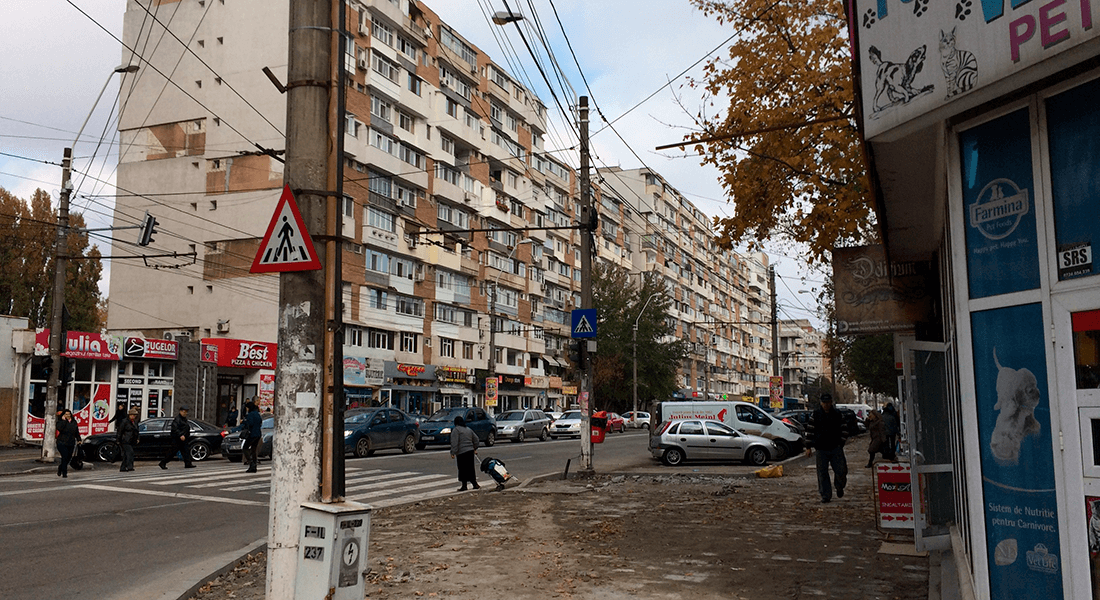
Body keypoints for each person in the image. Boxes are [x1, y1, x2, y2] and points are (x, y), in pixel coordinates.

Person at [805, 393, 849, 503]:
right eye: (824, 403)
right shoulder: (816, 415)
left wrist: (841, 442)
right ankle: (825, 495)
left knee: (841, 471)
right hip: (821, 448)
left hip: (836, 447)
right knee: (822, 473)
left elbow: (844, 429)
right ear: (821, 403)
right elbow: (810, 431)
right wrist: (808, 447)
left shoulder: (838, 414)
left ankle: (839, 486)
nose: (826, 405)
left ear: (831, 402)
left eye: (828, 402)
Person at [449, 415, 480, 491]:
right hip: (470, 452)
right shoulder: (468, 429)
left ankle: (464, 485)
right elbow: (476, 440)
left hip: (461, 453)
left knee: (462, 469)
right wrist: (474, 448)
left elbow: (454, 442)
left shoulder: (456, 430)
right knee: (470, 468)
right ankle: (475, 484)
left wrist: (453, 452)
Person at [55, 409, 81, 478]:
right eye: (66, 414)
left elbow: (76, 431)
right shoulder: (60, 422)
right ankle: (64, 473)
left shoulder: (73, 422)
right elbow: (59, 428)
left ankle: (60, 468)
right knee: (64, 457)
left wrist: (79, 439)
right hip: (62, 442)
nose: (67, 416)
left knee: (68, 458)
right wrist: (64, 421)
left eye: (69, 414)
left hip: (71, 442)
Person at [241, 402, 263, 473]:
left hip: (252, 434)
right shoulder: (257, 414)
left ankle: (251, 463)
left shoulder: (250, 415)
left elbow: (250, 424)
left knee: (245, 448)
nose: (246, 409)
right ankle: (254, 465)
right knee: (254, 449)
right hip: (258, 434)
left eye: (247, 407)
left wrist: (244, 422)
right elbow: (260, 422)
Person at [117, 407, 140, 472]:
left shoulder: (135, 422)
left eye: (134, 415)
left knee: (126, 455)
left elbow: (136, 431)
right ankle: (129, 466)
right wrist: (118, 439)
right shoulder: (124, 421)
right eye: (132, 415)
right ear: (129, 415)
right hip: (125, 440)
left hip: (131, 440)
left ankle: (123, 467)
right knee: (130, 453)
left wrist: (137, 438)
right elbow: (120, 431)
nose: (133, 416)